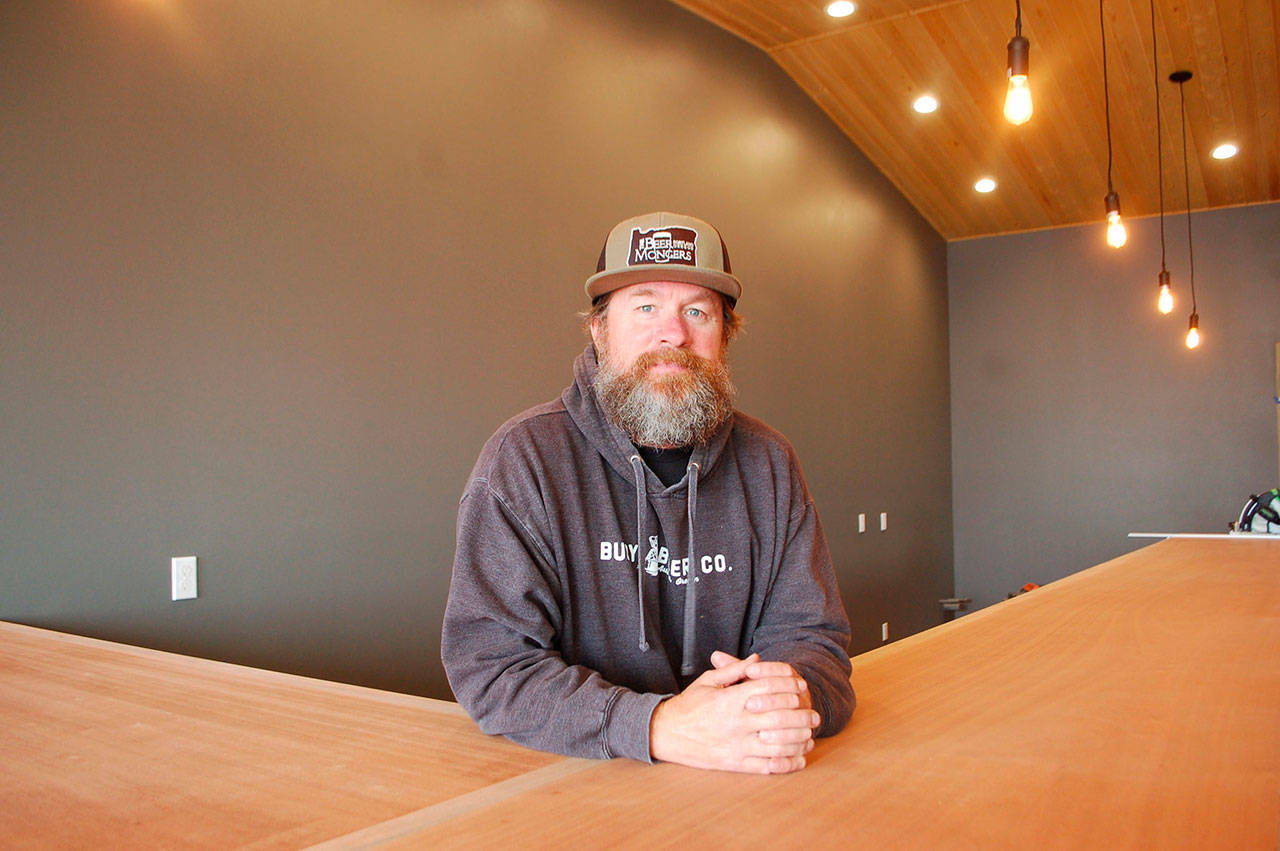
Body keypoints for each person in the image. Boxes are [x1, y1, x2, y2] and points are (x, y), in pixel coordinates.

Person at [441, 212, 854, 775]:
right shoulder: (523, 460)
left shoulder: (769, 463)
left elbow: (815, 643)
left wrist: (782, 701)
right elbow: (491, 666)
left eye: (696, 311)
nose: (673, 333)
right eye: (645, 307)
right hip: (579, 782)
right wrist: (658, 726)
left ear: (724, 335)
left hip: (745, 779)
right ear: (598, 329)